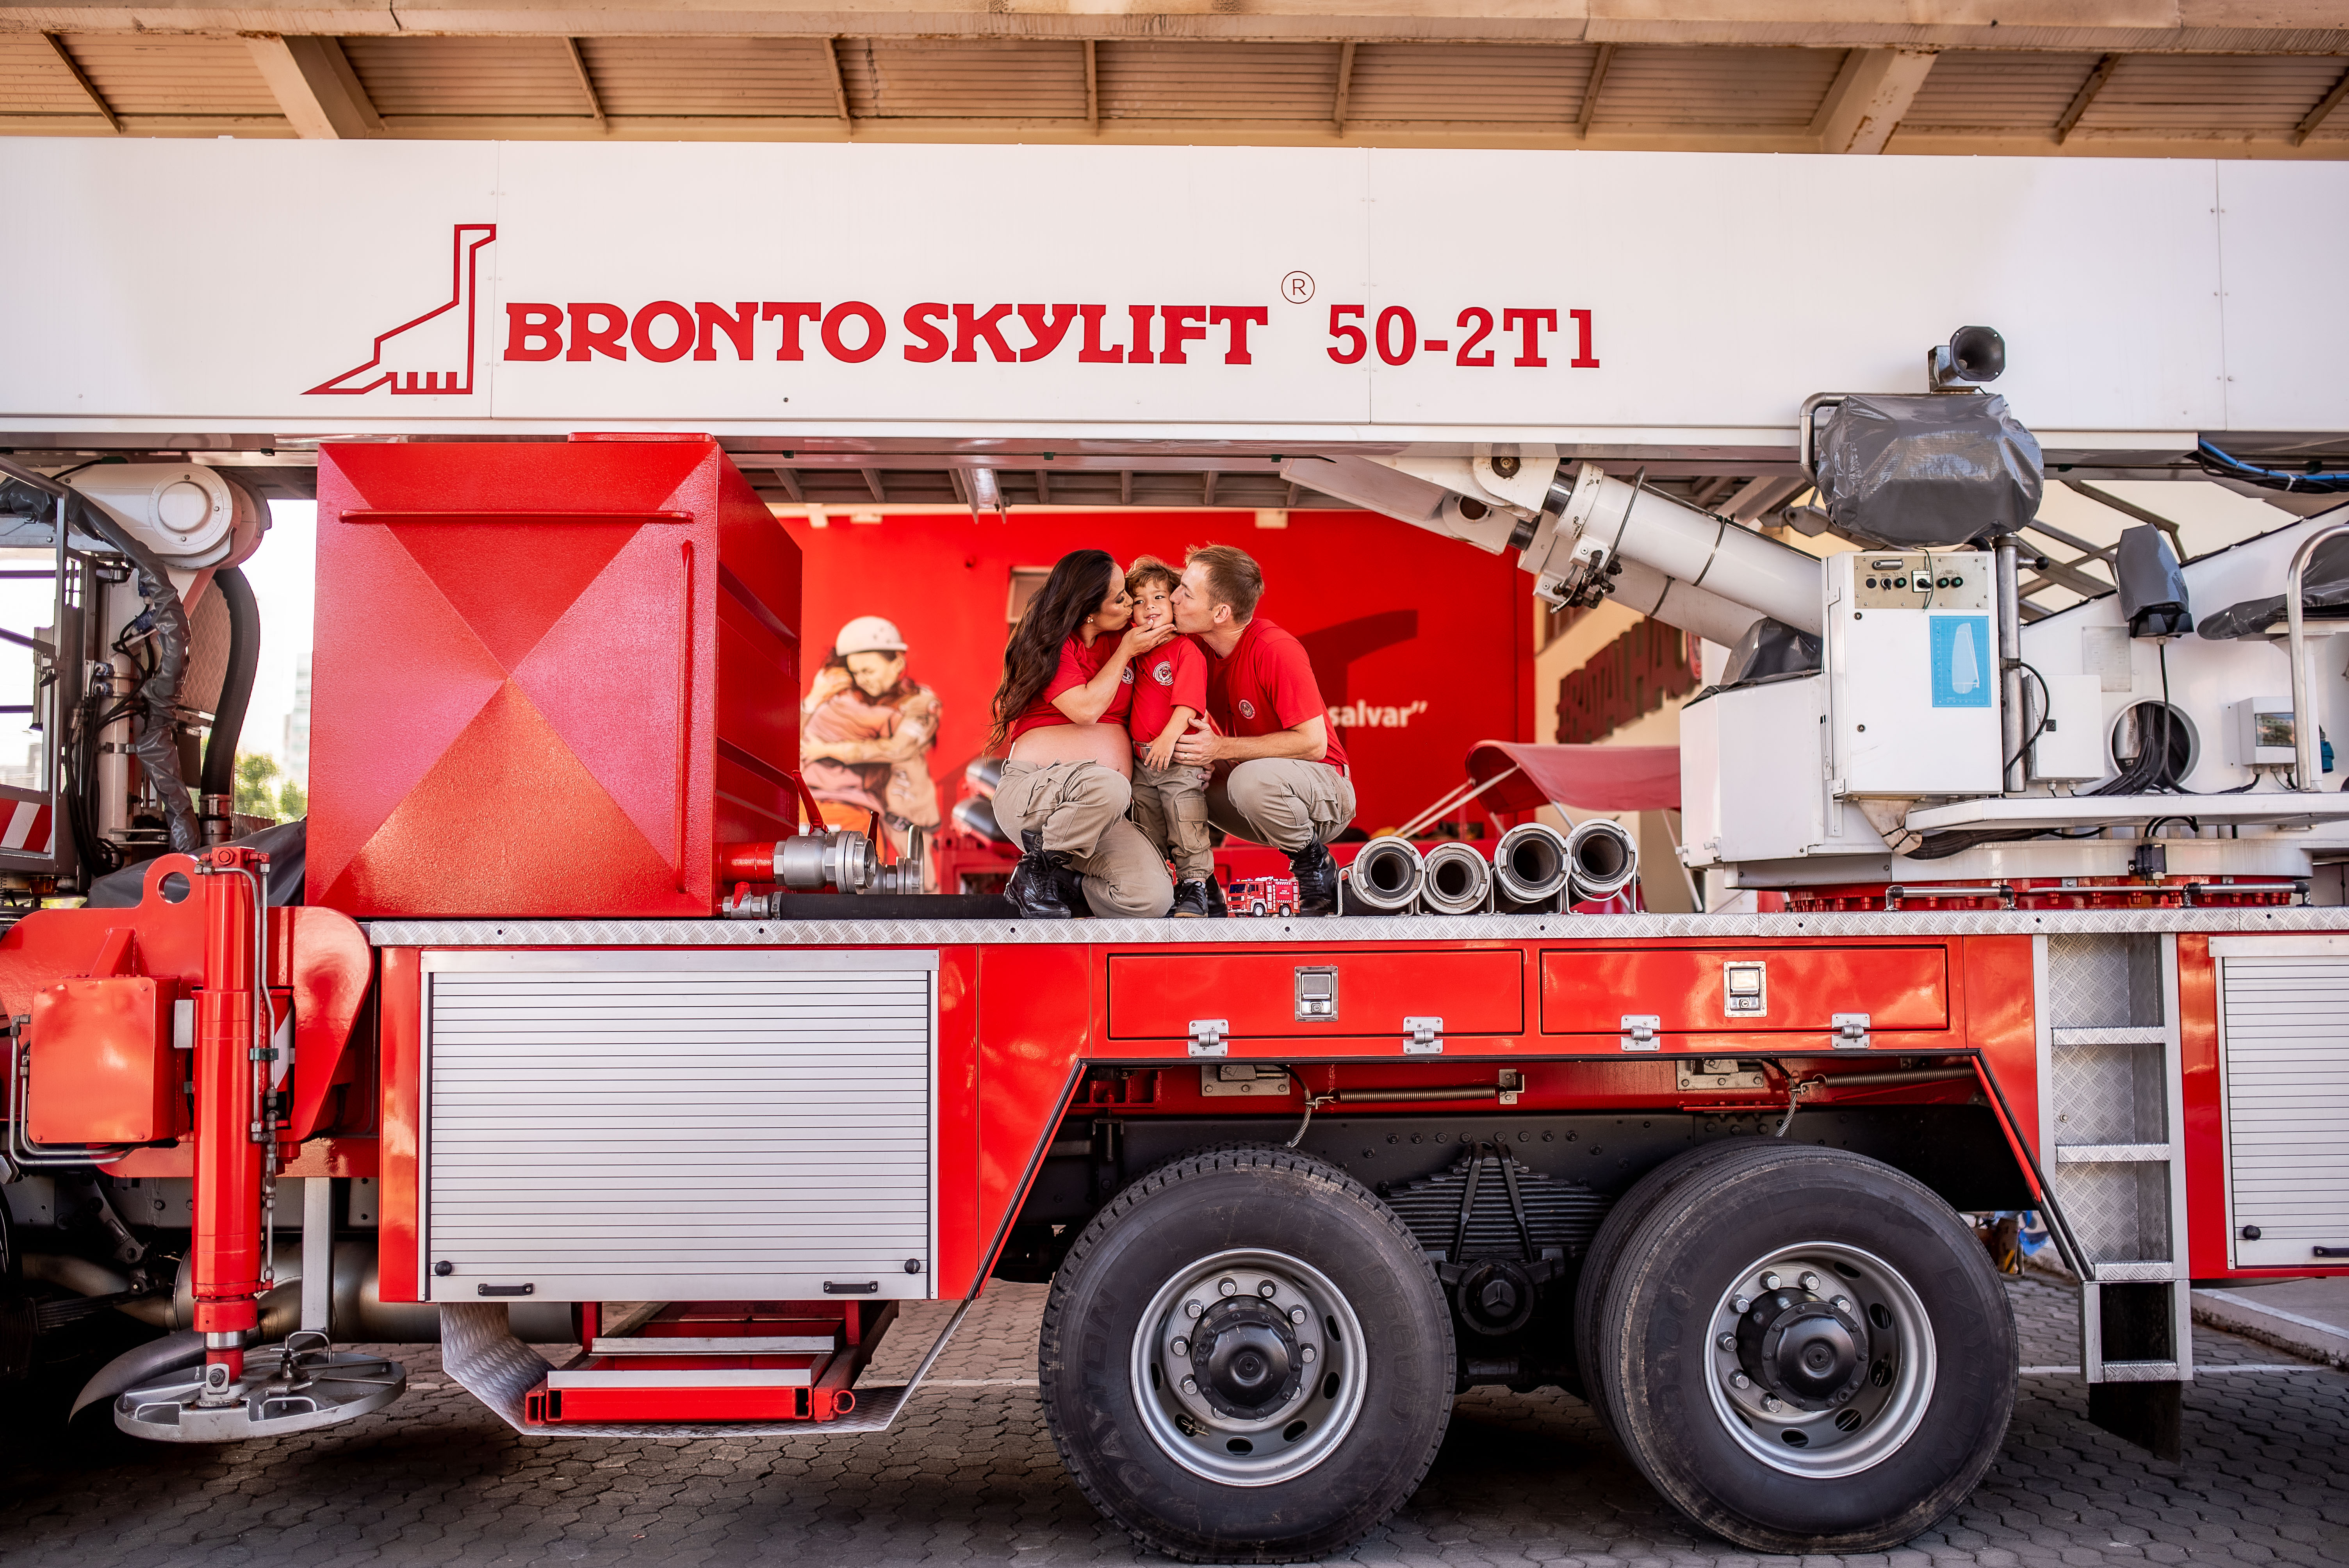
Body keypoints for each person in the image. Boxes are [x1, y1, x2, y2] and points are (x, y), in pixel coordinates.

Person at [987, 550, 1176, 919]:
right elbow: (1086, 710)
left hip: (1099, 813)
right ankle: (1034, 872)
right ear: (1088, 610)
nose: (1131, 604)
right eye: (1120, 599)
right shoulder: (1051, 645)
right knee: (1108, 785)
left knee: (1151, 899)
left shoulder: (1125, 635)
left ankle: (1061, 882)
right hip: (1038, 800)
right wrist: (1125, 652)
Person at [1171, 543, 1354, 915]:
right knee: (1165, 772)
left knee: (1249, 779)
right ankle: (1200, 886)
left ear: (1220, 613)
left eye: (1186, 593)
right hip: (1256, 791)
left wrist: (1220, 750)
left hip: (1325, 795)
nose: (1174, 598)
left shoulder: (1274, 648)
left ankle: (1316, 868)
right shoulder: (1196, 647)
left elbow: (1314, 745)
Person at [799, 616, 942, 880]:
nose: (861, 680)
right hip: (855, 810)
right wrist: (814, 698)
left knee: (919, 886)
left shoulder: (920, 703)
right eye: (855, 673)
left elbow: (899, 749)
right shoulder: (845, 700)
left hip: (904, 817)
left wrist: (830, 750)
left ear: (897, 664)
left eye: (869, 671)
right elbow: (794, 743)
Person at [1121, 556, 1215, 918]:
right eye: (1139, 601)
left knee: (1185, 818)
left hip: (1176, 758)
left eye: (1159, 597)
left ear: (1175, 602)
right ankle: (1164, 888)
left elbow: (1189, 705)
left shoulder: (1185, 650)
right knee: (1148, 827)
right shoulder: (1134, 651)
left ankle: (1196, 887)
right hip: (1142, 762)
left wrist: (1167, 739)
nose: (1150, 607)